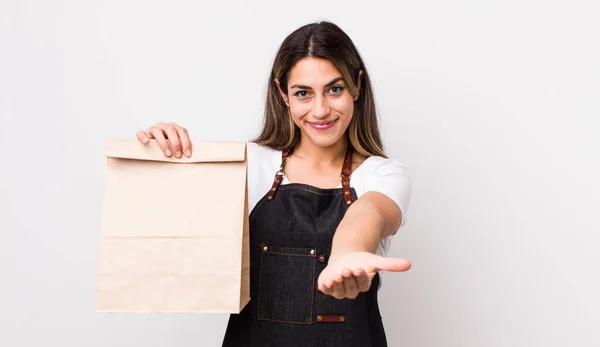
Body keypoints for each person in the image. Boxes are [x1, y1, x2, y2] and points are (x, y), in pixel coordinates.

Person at [136, 21, 412, 347]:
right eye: (303, 93)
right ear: (283, 94)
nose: (320, 109)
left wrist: (346, 253)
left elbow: (370, 213)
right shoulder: (249, 165)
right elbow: (170, 223)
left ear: (357, 86)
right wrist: (162, 152)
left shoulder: (382, 174)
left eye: (335, 89)